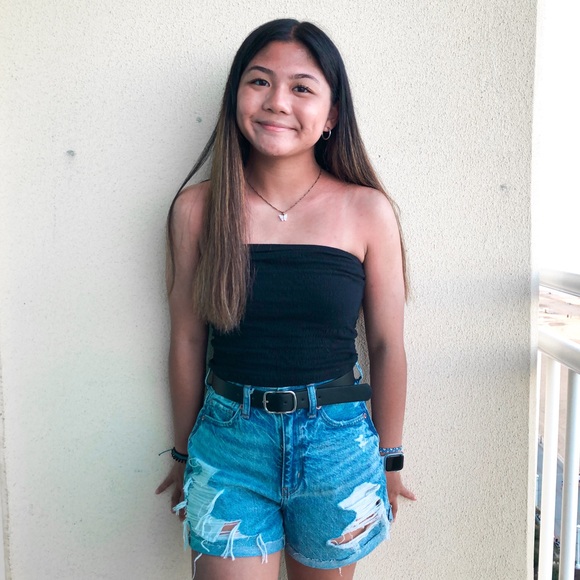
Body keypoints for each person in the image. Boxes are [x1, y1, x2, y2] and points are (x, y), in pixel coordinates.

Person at [156, 18, 416, 580]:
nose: (277, 101)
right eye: (259, 81)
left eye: (301, 87)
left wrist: (390, 457)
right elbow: (187, 338)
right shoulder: (197, 209)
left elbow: (387, 344)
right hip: (228, 445)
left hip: (337, 447)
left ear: (332, 114)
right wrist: (181, 453)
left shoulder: (367, 210)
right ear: (236, 97)